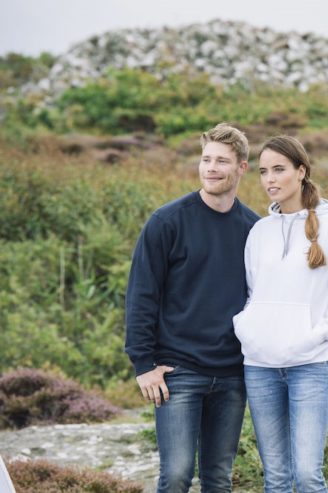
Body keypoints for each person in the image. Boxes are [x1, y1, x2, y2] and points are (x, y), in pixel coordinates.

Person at [125, 123, 259, 493]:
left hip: (233, 374)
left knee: (219, 479)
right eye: (205, 159)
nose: (211, 168)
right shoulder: (167, 222)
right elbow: (141, 295)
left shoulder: (254, 229)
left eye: (221, 161)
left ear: (242, 168)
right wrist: (143, 365)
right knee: (178, 475)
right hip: (177, 372)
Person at [233, 135, 328, 493]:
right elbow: (250, 295)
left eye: (279, 169)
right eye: (263, 172)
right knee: (275, 478)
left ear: (301, 171)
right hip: (260, 367)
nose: (270, 179)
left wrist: (315, 336)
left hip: (310, 365)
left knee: (307, 475)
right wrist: (248, 330)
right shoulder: (259, 232)